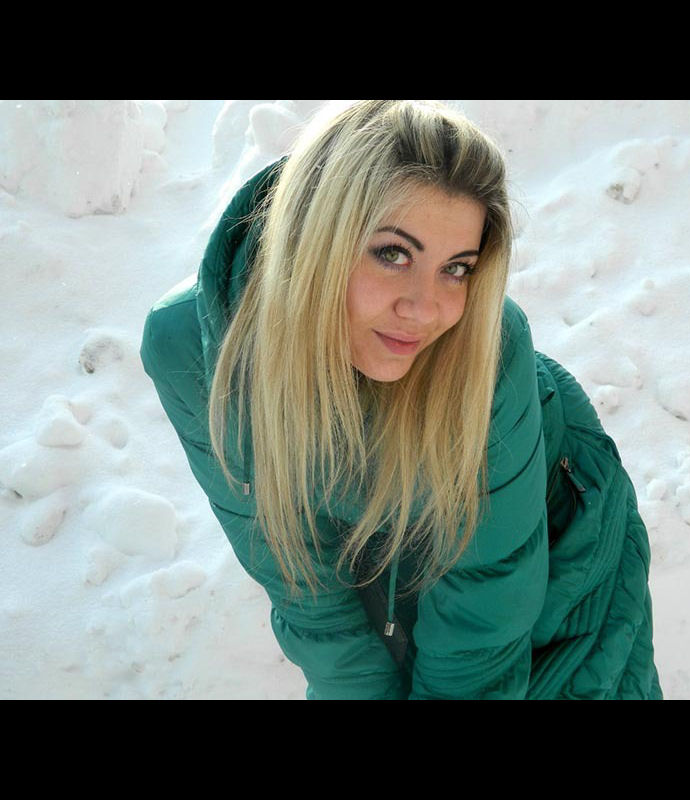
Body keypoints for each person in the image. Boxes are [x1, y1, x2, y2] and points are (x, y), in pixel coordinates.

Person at [140, 100, 662, 700]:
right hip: (383, 542)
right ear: (315, 238)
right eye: (393, 254)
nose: (424, 309)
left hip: (548, 539)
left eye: (456, 268)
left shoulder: (487, 354)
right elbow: (298, 580)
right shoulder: (194, 347)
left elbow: (486, 612)